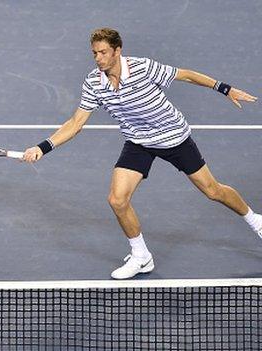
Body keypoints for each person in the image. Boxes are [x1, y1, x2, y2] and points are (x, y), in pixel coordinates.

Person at [22, 28, 259, 279]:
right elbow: (76, 122)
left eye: (103, 52)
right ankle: (141, 256)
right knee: (117, 199)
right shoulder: (93, 82)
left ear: (117, 51)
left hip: (173, 137)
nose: (98, 58)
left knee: (213, 191)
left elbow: (185, 76)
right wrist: (42, 147)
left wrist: (224, 88)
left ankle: (256, 221)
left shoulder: (143, 68)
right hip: (138, 141)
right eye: (94, 54)